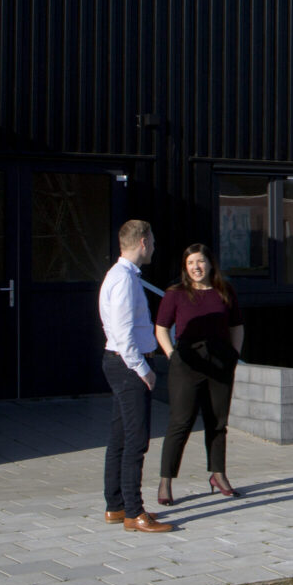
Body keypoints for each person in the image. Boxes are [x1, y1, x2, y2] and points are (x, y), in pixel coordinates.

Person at [154, 244, 246, 503]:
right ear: (185, 267)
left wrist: (234, 356)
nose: (196, 267)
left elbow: (237, 326)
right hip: (187, 364)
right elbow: (161, 328)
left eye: (201, 261)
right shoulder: (175, 294)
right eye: (190, 262)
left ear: (210, 264)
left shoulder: (224, 291)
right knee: (180, 423)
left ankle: (218, 474)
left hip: (220, 363)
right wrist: (173, 355)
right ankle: (165, 482)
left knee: (217, 422)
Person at [99, 220, 172, 534]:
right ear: (143, 242)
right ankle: (133, 511)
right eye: (152, 241)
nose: (154, 247)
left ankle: (116, 505)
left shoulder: (119, 276)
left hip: (120, 362)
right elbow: (123, 332)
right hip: (129, 365)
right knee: (135, 440)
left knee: (119, 437)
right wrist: (143, 370)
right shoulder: (125, 280)